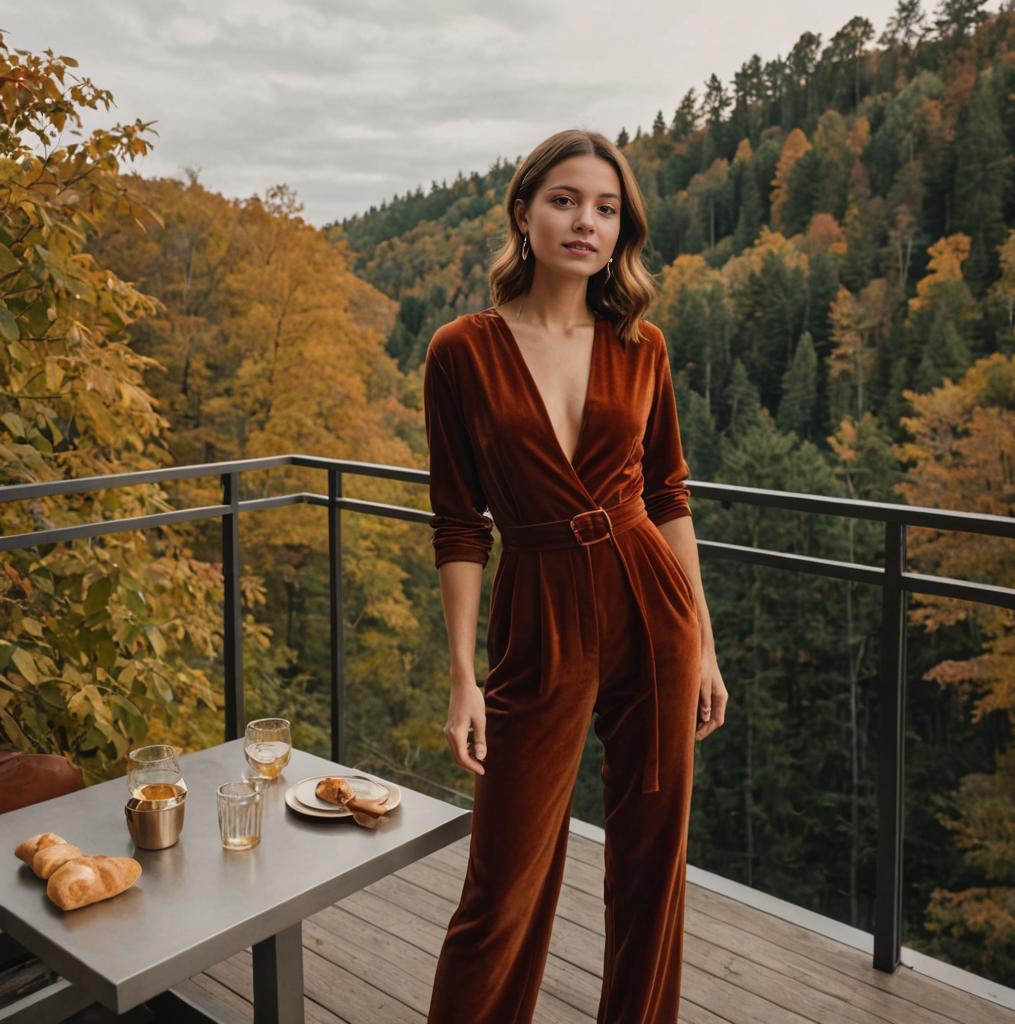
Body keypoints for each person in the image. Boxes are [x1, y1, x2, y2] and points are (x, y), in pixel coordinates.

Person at [422, 127, 728, 1024]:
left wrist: (704, 645)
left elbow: (670, 494)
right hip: (540, 610)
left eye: (605, 208)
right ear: (524, 213)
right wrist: (462, 678)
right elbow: (458, 523)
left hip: (651, 606)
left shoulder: (643, 345)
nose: (585, 222)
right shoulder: (461, 351)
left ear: (621, 228)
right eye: (565, 201)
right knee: (502, 886)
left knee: (649, 869)